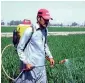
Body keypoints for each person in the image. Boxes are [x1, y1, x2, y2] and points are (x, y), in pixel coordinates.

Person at [16, 9, 55, 83]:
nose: (47, 22)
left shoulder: (45, 31)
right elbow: (19, 48)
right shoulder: (30, 30)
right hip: (30, 69)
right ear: (38, 18)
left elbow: (45, 45)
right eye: (45, 19)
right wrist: (26, 62)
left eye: (48, 20)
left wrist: (50, 57)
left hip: (42, 68)